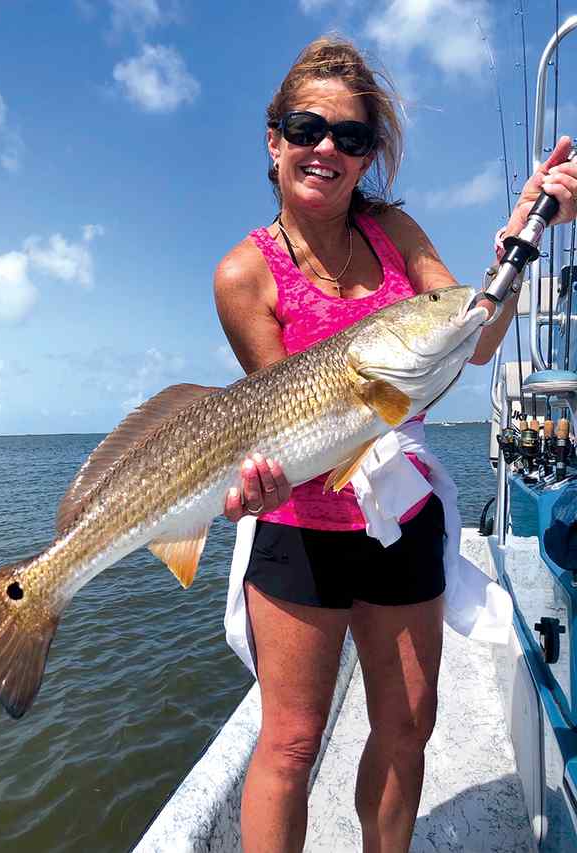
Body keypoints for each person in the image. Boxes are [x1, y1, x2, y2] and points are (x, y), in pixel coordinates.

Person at [213, 36, 577, 853]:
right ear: (273, 139)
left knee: (410, 721)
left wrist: (523, 234)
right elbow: (288, 422)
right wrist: (257, 479)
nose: (326, 149)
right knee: (291, 742)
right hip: (303, 519)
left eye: (352, 137)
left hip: (401, 509)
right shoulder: (244, 273)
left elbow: (473, 333)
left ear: (369, 157)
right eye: (307, 128)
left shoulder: (394, 230)